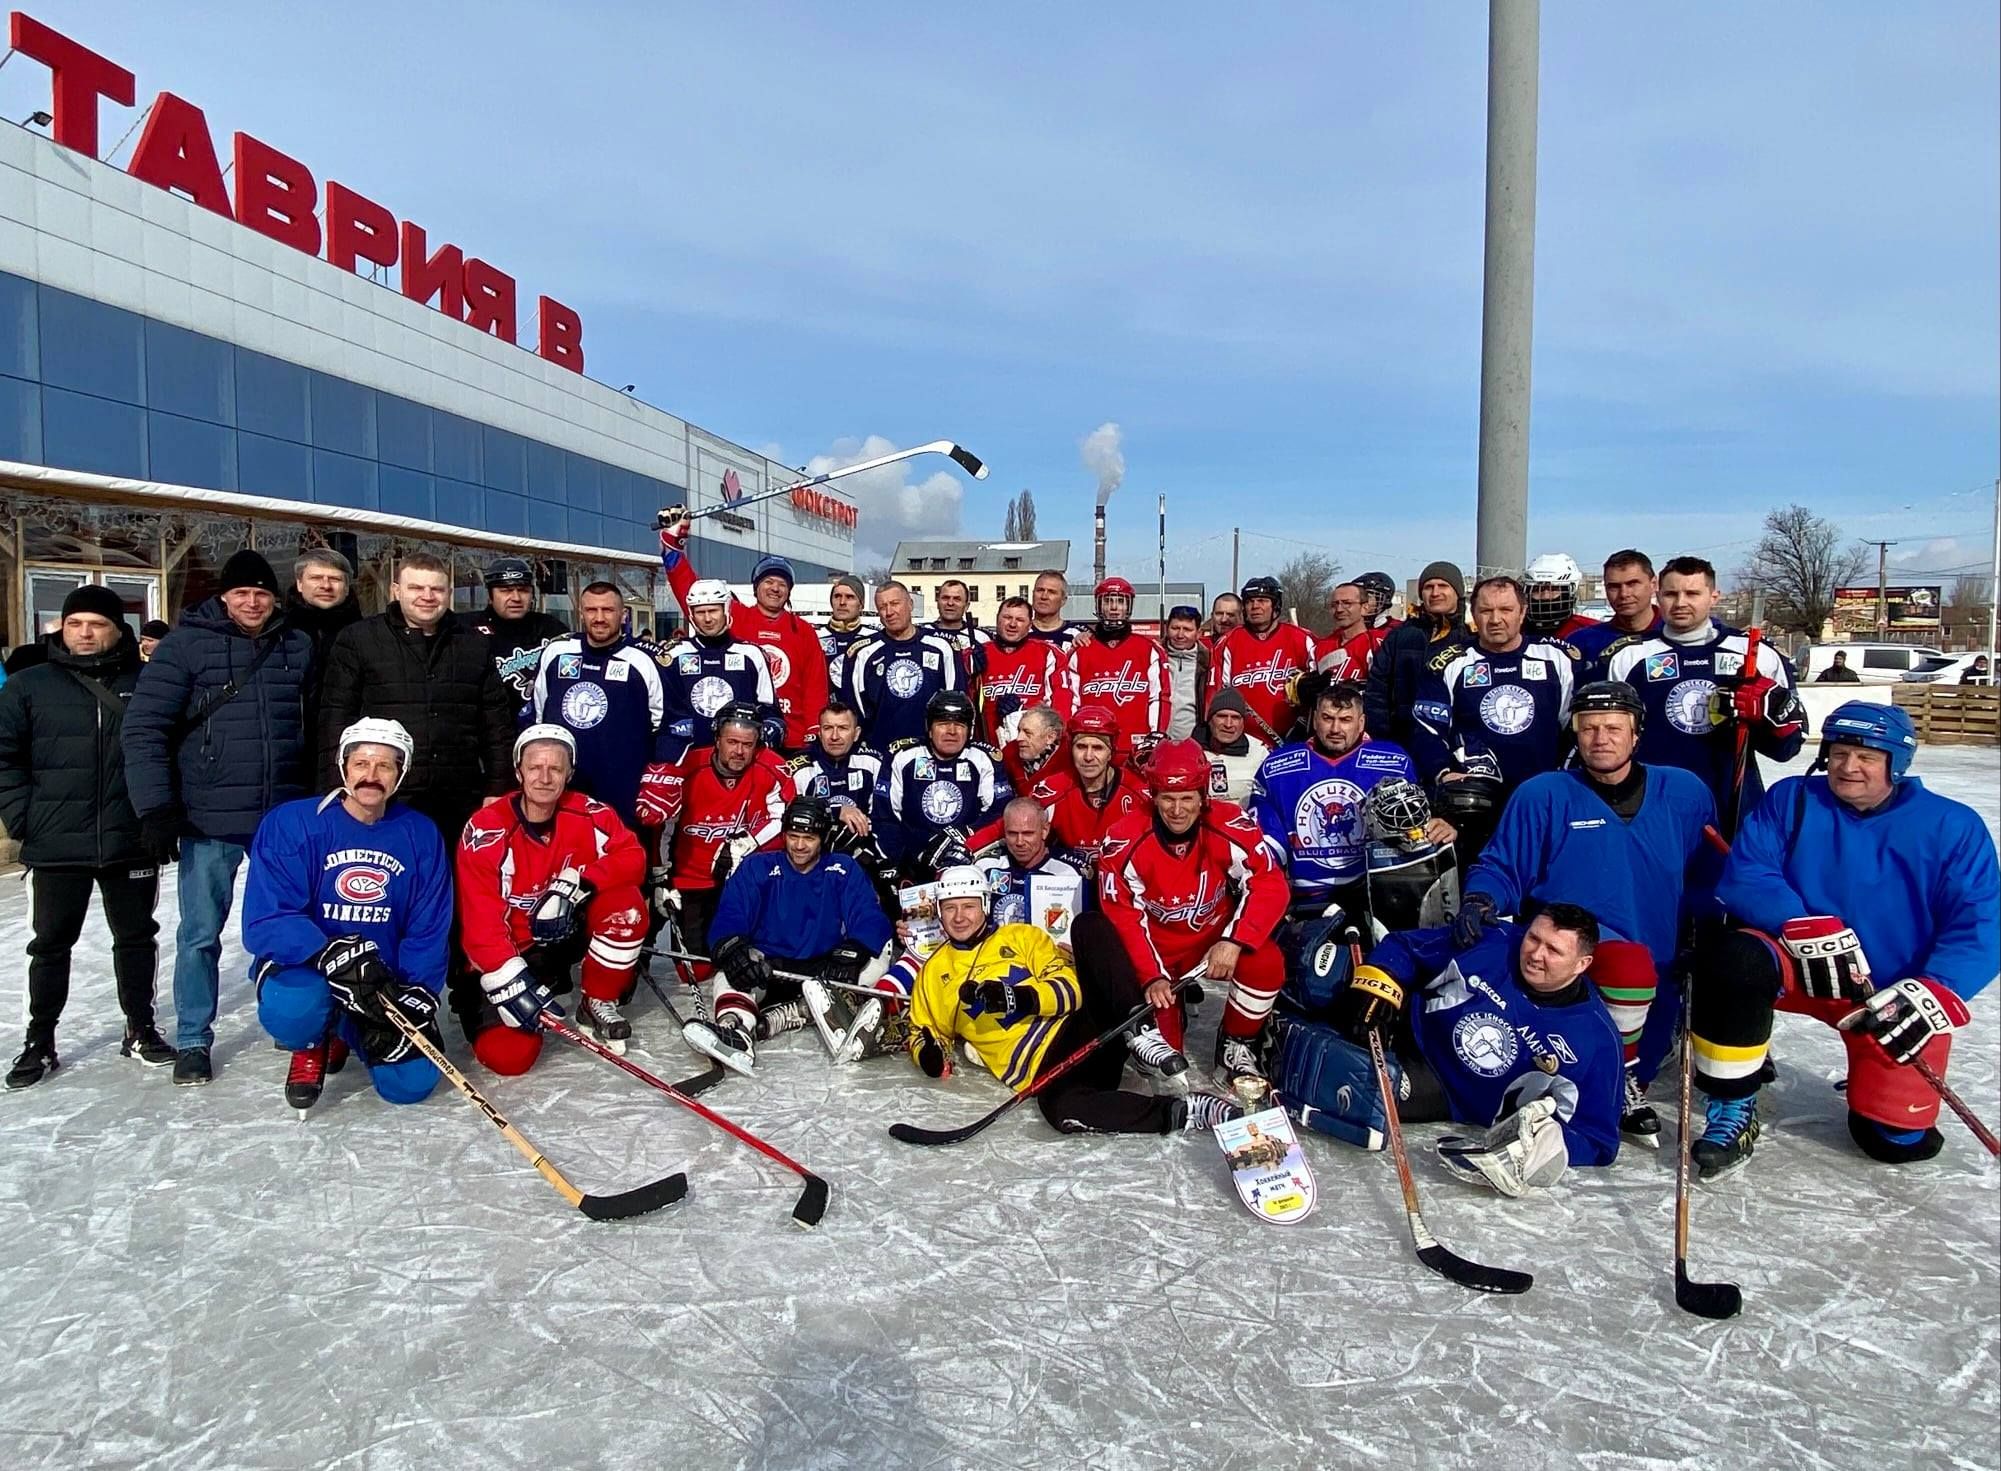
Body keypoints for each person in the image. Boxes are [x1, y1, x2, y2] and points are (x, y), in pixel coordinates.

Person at [1688, 702, 1999, 1175]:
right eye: (1837, 753)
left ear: (1897, 763)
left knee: (1896, 1143)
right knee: (1733, 959)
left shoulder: (1952, 826)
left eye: (1866, 757)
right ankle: (1733, 1105)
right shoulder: (1792, 798)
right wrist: (1794, 921)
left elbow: (1981, 922)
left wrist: (1938, 989)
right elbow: (1746, 874)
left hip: (1889, 995)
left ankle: (1874, 1090)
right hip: (1800, 965)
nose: (1847, 767)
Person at [1451, 681, 1719, 1144]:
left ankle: (1629, 1068)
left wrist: (1707, 927)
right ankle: (1618, 1084)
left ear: (1637, 734)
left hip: (1659, 962)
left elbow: (1708, 873)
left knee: (1645, 1018)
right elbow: (1502, 865)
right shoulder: (1544, 794)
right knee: (1622, 986)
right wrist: (1482, 897)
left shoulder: (1684, 792)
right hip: (1571, 960)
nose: (1600, 738)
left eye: (1614, 727)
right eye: (1588, 728)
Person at [122, 549, 314, 1085]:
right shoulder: (185, 646)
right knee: (201, 933)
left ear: (276, 597)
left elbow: (315, 721)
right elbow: (143, 730)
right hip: (209, 816)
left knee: (290, 927)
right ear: (223, 596)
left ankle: (293, 1020)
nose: (252, 602)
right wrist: (156, 806)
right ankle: (192, 1038)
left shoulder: (294, 645)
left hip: (280, 818)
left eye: (261, 593)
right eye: (241, 593)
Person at [1276, 906, 1623, 1193]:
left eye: (1554, 950)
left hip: (1442, 1085)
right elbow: (1405, 946)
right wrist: (1382, 982)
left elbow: (1598, 1138)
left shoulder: (1596, 1040)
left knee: (1358, 1085)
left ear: (1582, 964)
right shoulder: (1496, 941)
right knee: (1320, 974)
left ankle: (1273, 1050)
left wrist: (1549, 1143)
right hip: (1408, 1018)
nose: (1535, 954)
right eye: (1534, 938)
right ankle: (1259, 1009)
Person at [900, 866, 1243, 1136]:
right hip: (1047, 1070)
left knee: (1087, 924)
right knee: (1062, 1111)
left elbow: (1070, 987)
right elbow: (923, 1030)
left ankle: (1139, 1028)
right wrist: (928, 1054)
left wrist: (1022, 998)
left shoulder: (1020, 935)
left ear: (985, 906)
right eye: (950, 909)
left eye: (969, 906)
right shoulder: (933, 973)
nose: (959, 917)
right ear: (940, 912)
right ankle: (1186, 1112)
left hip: (1086, 1025)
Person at [0, 587, 173, 1088]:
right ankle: (40, 1039)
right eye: (74, 623)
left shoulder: (148, 683)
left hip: (129, 838)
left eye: (96, 624)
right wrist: (24, 818)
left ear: (119, 629)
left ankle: (140, 1027)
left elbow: (170, 750)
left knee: (137, 937)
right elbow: (5, 757)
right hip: (56, 842)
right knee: (51, 943)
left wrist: (159, 815)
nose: (84, 633)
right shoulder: (29, 686)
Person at [243, 718, 451, 1111]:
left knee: (410, 1084)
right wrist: (326, 953)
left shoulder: (420, 833)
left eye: (385, 766)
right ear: (343, 767)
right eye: (361, 764)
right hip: (307, 970)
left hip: (378, 983)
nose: (371, 776)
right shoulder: (292, 823)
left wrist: (417, 989)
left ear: (400, 774)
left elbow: (429, 925)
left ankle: (347, 1026)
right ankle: (313, 1041)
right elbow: (267, 917)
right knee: (296, 1009)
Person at [1095, 739, 1289, 1082]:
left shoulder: (1230, 823)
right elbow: (1124, 918)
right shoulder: (1123, 839)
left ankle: (1235, 1043)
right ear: (1153, 796)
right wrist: (1151, 976)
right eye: (1168, 798)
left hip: (1210, 943)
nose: (1177, 810)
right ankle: (1172, 1013)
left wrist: (1234, 940)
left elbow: (1269, 883)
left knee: (1265, 961)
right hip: (1158, 954)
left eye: (1187, 798)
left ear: (1203, 796)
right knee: (1168, 1068)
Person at [456, 724, 649, 1069]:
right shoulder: (486, 828)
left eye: (555, 768)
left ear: (569, 773)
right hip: (509, 950)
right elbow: (480, 921)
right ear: (518, 772)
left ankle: (597, 1000)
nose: (545, 778)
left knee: (626, 907)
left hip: (562, 937)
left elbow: (633, 857)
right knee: (509, 1057)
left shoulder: (590, 812)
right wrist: (510, 980)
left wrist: (578, 882)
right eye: (534, 767)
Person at [688, 794, 895, 1073]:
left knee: (880, 952)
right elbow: (731, 913)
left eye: (808, 838)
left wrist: (853, 950)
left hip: (825, 973)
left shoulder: (842, 868)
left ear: (823, 837)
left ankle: (802, 1011)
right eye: (793, 836)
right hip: (769, 968)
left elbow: (869, 915)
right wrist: (731, 947)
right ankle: (735, 1030)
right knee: (729, 971)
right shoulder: (757, 867)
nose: (799, 845)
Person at [317, 552, 517, 841]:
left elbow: (495, 725)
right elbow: (335, 718)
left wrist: (498, 789)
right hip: (384, 794)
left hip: (457, 796)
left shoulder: (473, 643)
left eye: (436, 589)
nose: (427, 596)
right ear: (396, 590)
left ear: (448, 593)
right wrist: (337, 788)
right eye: (416, 588)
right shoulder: (359, 640)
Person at [1603, 555, 1804, 830]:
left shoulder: (1756, 656)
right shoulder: (1630, 656)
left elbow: (1788, 747)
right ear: (1658, 595)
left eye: (1692, 593)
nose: (1681, 602)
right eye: (1671, 594)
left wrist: (1769, 717)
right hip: (1653, 806)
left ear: (1714, 596)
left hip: (1732, 807)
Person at [1250, 681, 1448, 918]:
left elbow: (1416, 826)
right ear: (1314, 719)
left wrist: (1439, 826)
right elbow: (1266, 846)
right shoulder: (1278, 766)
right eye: (1327, 718)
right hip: (1308, 902)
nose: (1335, 728)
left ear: (1361, 722)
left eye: (1345, 720)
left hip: (1378, 894)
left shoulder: (1393, 761)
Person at [659, 521, 828, 752]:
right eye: (768, 582)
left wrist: (812, 732)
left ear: (789, 591)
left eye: (782, 584)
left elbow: (815, 687)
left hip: (793, 738)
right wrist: (673, 546)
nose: (775, 588)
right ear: (756, 587)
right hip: (742, 739)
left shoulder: (804, 630)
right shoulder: (737, 616)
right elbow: (691, 591)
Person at [637, 702, 790, 956]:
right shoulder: (688, 768)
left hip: (744, 880)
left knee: (746, 956)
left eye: (748, 744)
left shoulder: (771, 767)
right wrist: (661, 878)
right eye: (732, 742)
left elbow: (783, 818)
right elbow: (665, 828)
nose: (739, 751)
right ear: (717, 739)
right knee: (695, 967)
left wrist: (746, 843)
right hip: (691, 880)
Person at [1411, 575, 1578, 802]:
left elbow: (1578, 729)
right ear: (1474, 614)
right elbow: (1427, 730)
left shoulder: (1558, 658)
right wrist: (1443, 774)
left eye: (1506, 610)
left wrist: (1568, 778)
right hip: (1474, 800)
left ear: (1522, 612)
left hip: (1546, 794)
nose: (1495, 619)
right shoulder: (1448, 663)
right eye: (1486, 610)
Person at [531, 581, 670, 830]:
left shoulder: (645, 660)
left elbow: (664, 725)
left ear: (623, 614)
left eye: (607, 610)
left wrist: (657, 780)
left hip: (624, 792)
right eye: (591, 610)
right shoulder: (557, 652)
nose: (599, 618)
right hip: (565, 788)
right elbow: (539, 719)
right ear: (581, 613)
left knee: (624, 862)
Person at [873, 689, 1011, 877]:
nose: (952, 732)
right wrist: (907, 863)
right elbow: (885, 818)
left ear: (970, 730)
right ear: (929, 728)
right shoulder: (902, 756)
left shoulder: (984, 759)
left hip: (968, 859)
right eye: (943, 724)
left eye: (959, 724)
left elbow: (999, 813)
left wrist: (963, 839)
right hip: (912, 863)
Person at [656, 578, 783, 763]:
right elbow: (661, 713)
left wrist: (770, 730)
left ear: (726, 610)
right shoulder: (673, 655)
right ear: (691, 615)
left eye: (713, 610)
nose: (707, 619)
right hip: (687, 760)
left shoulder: (751, 655)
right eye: (700, 612)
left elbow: (769, 710)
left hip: (739, 761)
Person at [841, 581, 963, 752]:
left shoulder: (942, 646)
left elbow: (956, 703)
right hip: (880, 754)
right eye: (883, 607)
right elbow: (852, 712)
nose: (889, 612)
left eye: (895, 604)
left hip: (931, 754)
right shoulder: (862, 652)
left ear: (910, 604)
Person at [1057, 577, 1166, 763]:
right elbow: (1071, 700)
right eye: (1108, 601)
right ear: (1099, 605)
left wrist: (1156, 733)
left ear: (1129, 606)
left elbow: (1159, 696)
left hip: (1137, 747)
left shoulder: (1149, 649)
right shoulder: (1080, 650)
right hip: (1093, 747)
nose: (1114, 608)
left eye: (1121, 601)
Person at [1032, 704, 1150, 876]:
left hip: (1123, 885)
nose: (1088, 757)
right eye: (1081, 747)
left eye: (1098, 748)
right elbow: (1015, 821)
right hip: (1066, 888)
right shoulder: (1051, 789)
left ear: (1111, 752)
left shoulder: (1138, 792)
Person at [1365, 560, 1471, 751]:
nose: (1435, 592)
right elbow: (1377, 691)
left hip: (1460, 744)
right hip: (1404, 742)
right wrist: (1384, 740)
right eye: (1429, 587)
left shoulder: (1473, 636)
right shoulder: (1400, 635)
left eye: (1443, 586)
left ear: (1458, 591)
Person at [1208, 576, 1317, 749]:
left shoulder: (1302, 638)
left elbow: (1322, 693)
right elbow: (1216, 695)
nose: (1255, 606)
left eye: (1262, 600)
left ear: (1276, 606)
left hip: (1295, 740)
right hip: (1244, 743)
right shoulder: (1228, 642)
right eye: (1250, 601)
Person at [974, 796, 1087, 950]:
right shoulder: (985, 867)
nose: (1019, 842)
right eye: (1012, 834)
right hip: (994, 959)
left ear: (1044, 831)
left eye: (1028, 833)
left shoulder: (1069, 873)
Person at [471, 556, 570, 707]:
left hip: (542, 725)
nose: (516, 598)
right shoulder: (468, 630)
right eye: (506, 590)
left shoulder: (551, 628)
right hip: (492, 725)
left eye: (523, 590)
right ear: (489, 595)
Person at [785, 700, 885, 846]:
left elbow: (883, 816)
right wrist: (836, 811)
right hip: (811, 850)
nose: (834, 736)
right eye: (828, 728)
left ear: (856, 734)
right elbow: (790, 815)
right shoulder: (799, 768)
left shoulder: (872, 763)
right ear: (819, 733)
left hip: (863, 846)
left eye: (843, 728)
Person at [975, 596, 1060, 746]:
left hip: (1033, 750)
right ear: (997, 619)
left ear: (1030, 624)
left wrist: (1022, 711)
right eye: (1007, 617)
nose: (1012, 624)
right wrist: (969, 671)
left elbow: (1060, 704)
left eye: (1020, 620)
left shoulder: (1047, 653)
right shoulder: (977, 654)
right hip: (987, 747)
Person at [1568, 549, 1660, 669]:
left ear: (1653, 584)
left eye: (1632, 584)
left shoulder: (1676, 635)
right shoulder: (1581, 642)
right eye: (1614, 587)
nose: (1624, 594)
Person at [285, 548, 362, 688]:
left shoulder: (367, 635)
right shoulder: (279, 632)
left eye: (335, 579)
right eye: (316, 578)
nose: (326, 586)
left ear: (346, 587)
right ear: (300, 584)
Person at [1198, 688, 1268, 805]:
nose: (1228, 724)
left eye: (1235, 718)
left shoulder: (1259, 752)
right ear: (1210, 719)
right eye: (1222, 716)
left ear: (1243, 722)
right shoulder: (1190, 750)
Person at [1522, 552, 1601, 642]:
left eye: (1554, 589)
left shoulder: (1592, 632)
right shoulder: (1513, 631)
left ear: (1570, 592)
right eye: (1537, 589)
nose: (1545, 596)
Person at [998, 703, 1072, 797]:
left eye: (1027, 733)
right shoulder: (1009, 752)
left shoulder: (1069, 756)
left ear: (1050, 737)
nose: (1019, 738)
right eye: (1019, 731)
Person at [1160, 605, 1210, 742]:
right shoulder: (1154, 658)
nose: (1180, 635)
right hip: (1156, 742)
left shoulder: (1208, 663)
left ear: (1198, 633)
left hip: (1192, 743)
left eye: (1187, 629)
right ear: (1166, 628)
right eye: (1175, 628)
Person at [923, 578, 992, 675]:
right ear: (937, 602)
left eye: (957, 599)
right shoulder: (922, 634)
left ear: (966, 606)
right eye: (945, 598)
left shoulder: (981, 638)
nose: (950, 603)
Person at [1316, 582, 1378, 683]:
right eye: (1334, 604)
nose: (1339, 609)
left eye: (1347, 603)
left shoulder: (1375, 646)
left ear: (1364, 608)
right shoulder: (1321, 646)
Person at [819, 574, 877, 671]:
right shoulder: (815, 636)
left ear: (861, 604)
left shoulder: (874, 638)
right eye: (837, 596)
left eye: (849, 597)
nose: (842, 602)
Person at [1028, 570, 1083, 653]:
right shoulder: (1019, 632)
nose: (1044, 596)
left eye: (1051, 592)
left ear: (1063, 600)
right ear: (1033, 594)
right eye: (1040, 590)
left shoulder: (1077, 636)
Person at [1355, 571, 1402, 637]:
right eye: (1356, 597)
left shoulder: (1399, 630)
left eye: (1367, 596)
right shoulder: (1344, 630)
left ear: (1385, 600)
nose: (1360, 601)